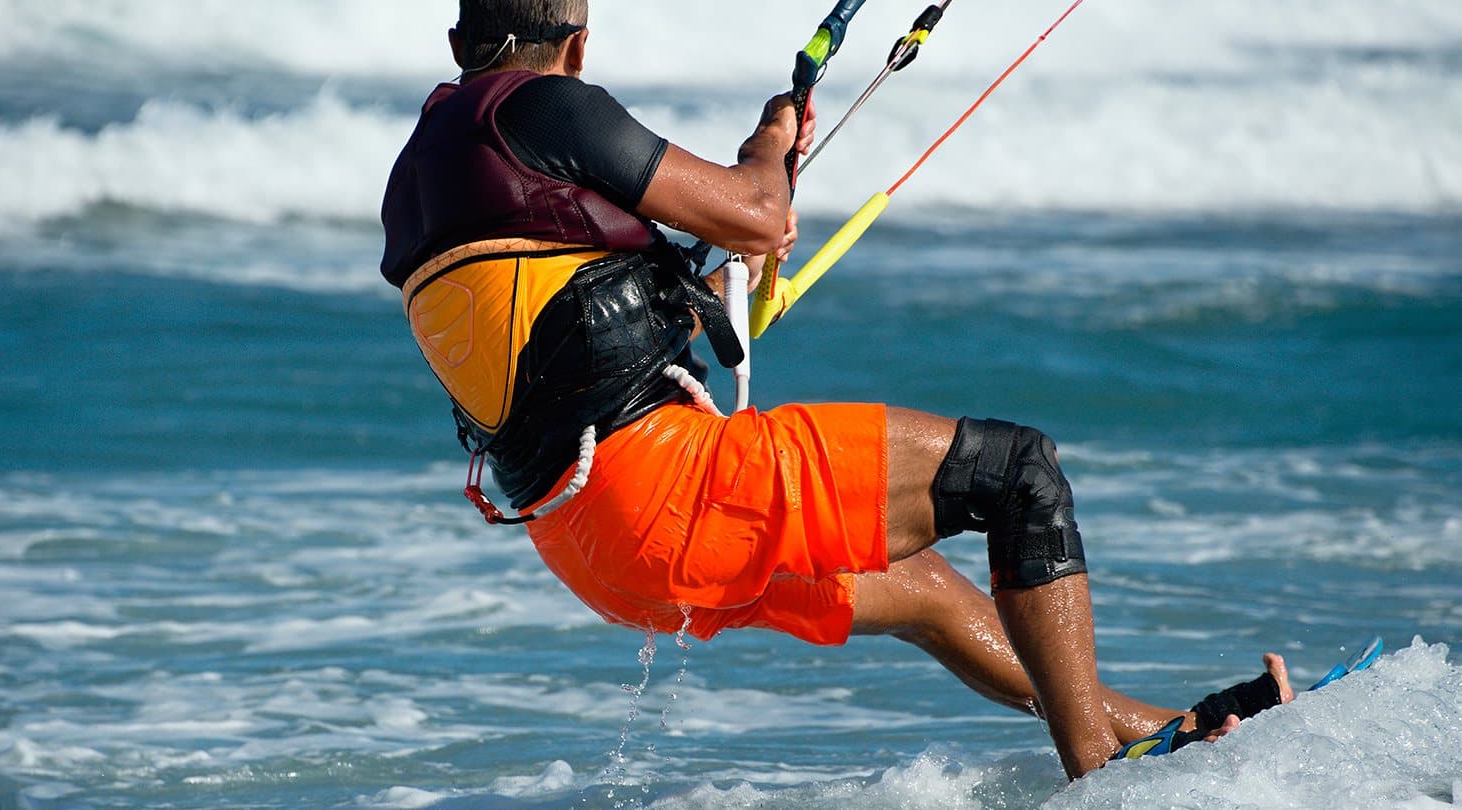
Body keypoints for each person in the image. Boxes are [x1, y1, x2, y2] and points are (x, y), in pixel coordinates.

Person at [380, 0, 1294, 779]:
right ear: (577, 46)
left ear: (459, 42)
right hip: (670, 492)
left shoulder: (421, 179)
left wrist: (719, 266)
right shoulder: (546, 108)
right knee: (1019, 474)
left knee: (928, 593)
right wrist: (769, 148)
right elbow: (757, 211)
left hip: (588, 544)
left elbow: (583, 343)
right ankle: (1100, 777)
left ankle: (1172, 737)